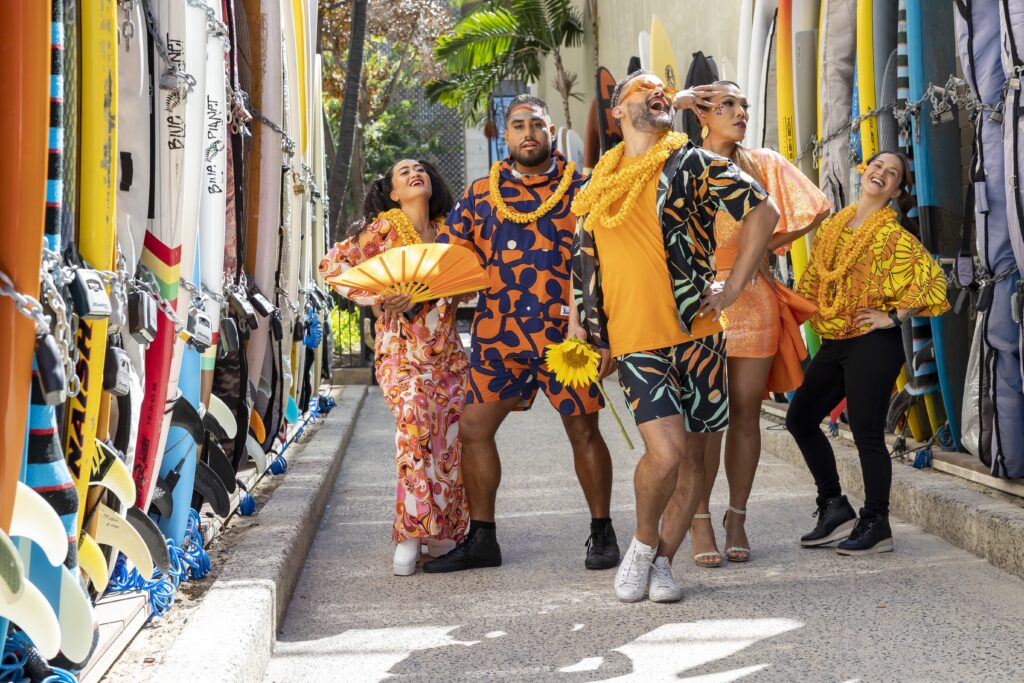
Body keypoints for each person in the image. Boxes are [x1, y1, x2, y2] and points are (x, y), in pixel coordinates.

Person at [571, 71, 780, 603]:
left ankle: (664, 561)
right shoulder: (597, 184)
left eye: (663, 90)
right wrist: (588, 331)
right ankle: (644, 545)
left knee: (693, 459)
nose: (656, 92)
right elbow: (584, 267)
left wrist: (733, 288)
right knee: (665, 453)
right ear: (617, 112)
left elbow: (764, 211)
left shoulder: (690, 162)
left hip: (699, 333)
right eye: (642, 88)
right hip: (636, 338)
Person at [423, 95, 618, 574]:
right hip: (498, 337)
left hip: (567, 337)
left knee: (583, 431)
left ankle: (602, 531)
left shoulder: (584, 188)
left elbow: (609, 262)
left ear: (551, 132)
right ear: (505, 136)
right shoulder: (478, 194)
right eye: (517, 125)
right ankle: (483, 539)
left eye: (536, 124)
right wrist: (409, 291)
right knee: (473, 429)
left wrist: (603, 331)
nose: (527, 133)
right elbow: (450, 260)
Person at [687, 81, 831, 567]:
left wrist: (760, 249)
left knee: (746, 413)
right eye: (726, 104)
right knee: (705, 418)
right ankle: (698, 518)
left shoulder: (763, 162)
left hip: (754, 300)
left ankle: (737, 515)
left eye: (743, 104)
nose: (740, 112)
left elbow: (815, 207)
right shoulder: (683, 164)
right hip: (699, 301)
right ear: (703, 114)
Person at [786, 150, 950, 555]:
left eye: (892, 173)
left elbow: (934, 281)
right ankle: (834, 505)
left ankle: (877, 522)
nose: (882, 174)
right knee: (801, 418)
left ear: (896, 190)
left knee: (866, 432)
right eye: (877, 166)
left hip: (873, 343)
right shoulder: (835, 227)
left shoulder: (892, 236)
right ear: (864, 171)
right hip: (836, 340)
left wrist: (892, 317)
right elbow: (813, 283)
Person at [320, 159, 468, 576]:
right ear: (393, 193)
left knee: (449, 441)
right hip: (401, 351)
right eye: (403, 172)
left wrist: (455, 295)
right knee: (414, 427)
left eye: (419, 168)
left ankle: (444, 530)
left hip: (449, 355)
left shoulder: (448, 232)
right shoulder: (383, 229)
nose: (414, 173)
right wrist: (379, 296)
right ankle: (410, 531)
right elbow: (332, 265)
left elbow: (465, 288)